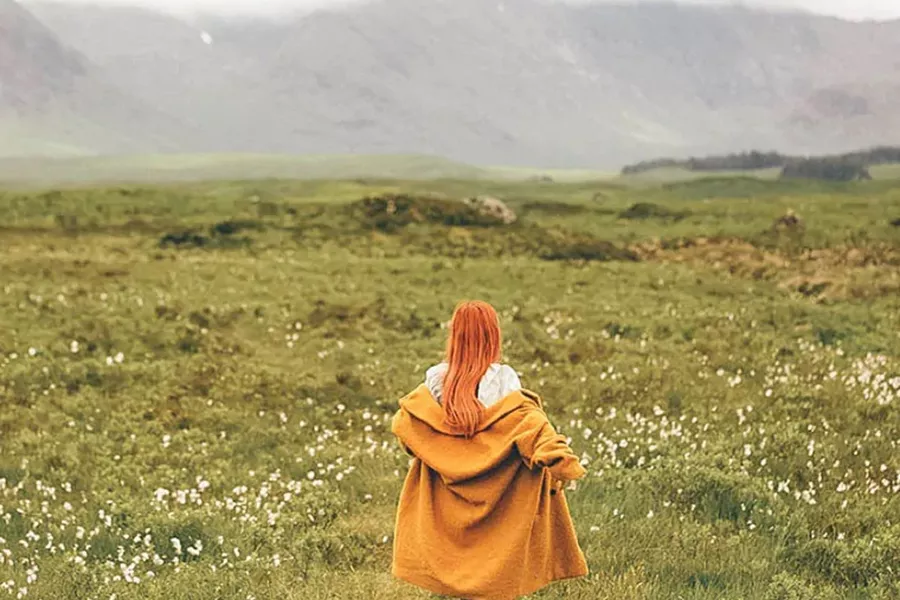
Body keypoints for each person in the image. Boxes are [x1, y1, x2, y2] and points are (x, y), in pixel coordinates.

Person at [391, 300, 588, 600]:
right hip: (499, 498)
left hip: (445, 501)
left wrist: (442, 446)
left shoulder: (435, 382)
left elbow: (408, 431)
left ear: (455, 336)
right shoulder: (504, 381)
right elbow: (531, 426)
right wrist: (560, 461)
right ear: (492, 336)